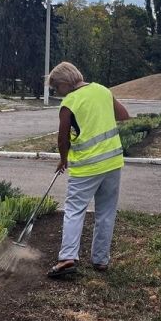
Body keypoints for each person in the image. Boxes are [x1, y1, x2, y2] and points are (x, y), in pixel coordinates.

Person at [46, 61, 130, 278]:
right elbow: (123, 115)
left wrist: (63, 159)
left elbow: (62, 137)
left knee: (74, 209)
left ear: (65, 83)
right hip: (112, 162)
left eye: (57, 88)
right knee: (106, 211)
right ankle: (101, 260)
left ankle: (67, 258)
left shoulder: (70, 101)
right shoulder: (102, 90)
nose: (58, 93)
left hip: (86, 166)